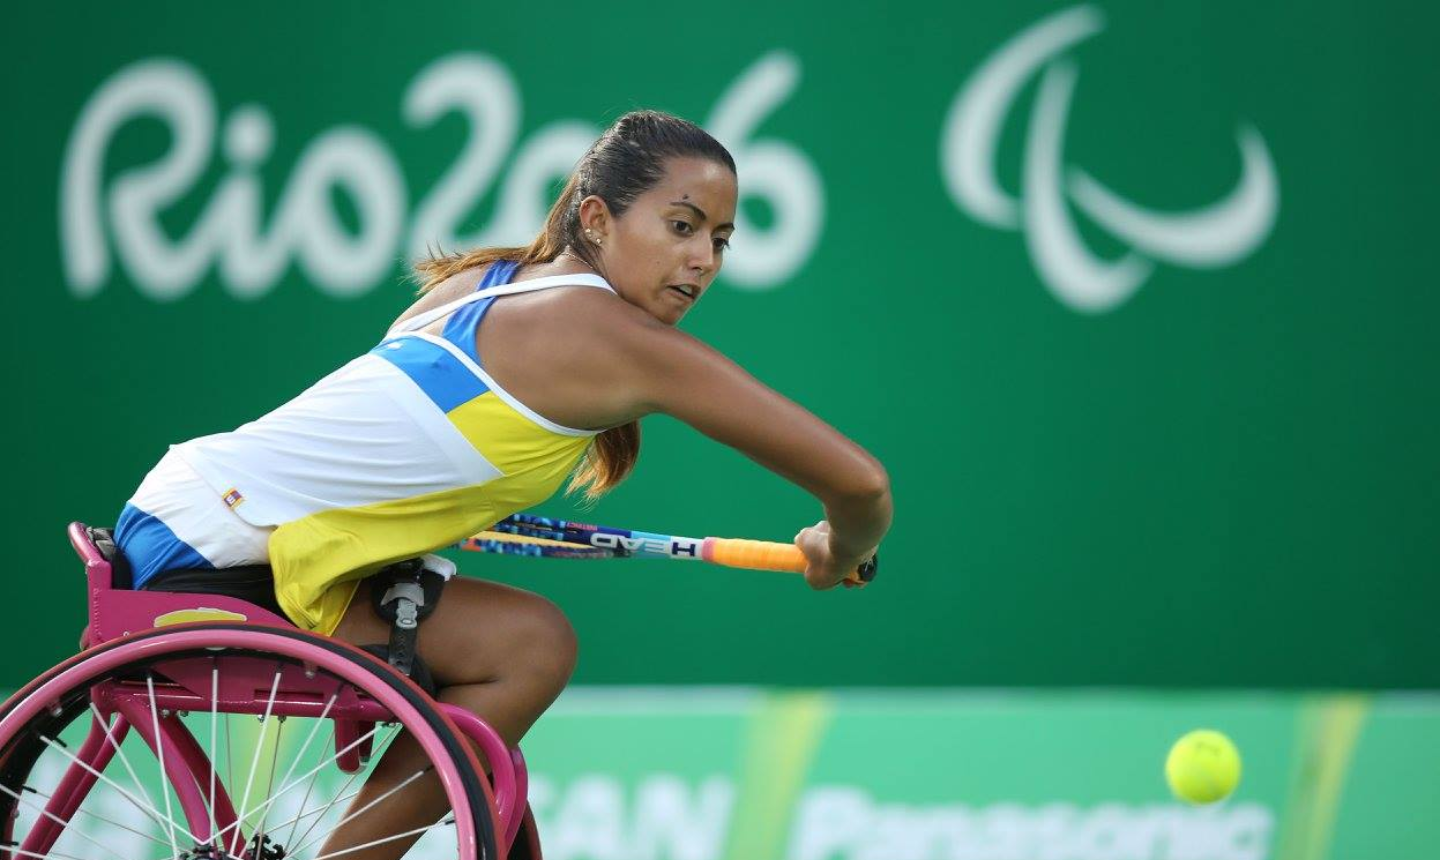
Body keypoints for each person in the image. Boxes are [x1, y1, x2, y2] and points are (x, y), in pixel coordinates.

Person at [113, 110, 892, 858]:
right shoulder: (612, 337)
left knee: (529, 638)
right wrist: (836, 549)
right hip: (213, 551)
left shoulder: (484, 280)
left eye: (719, 240)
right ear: (597, 219)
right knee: (529, 651)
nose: (704, 260)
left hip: (181, 510)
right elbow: (862, 486)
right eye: (681, 226)